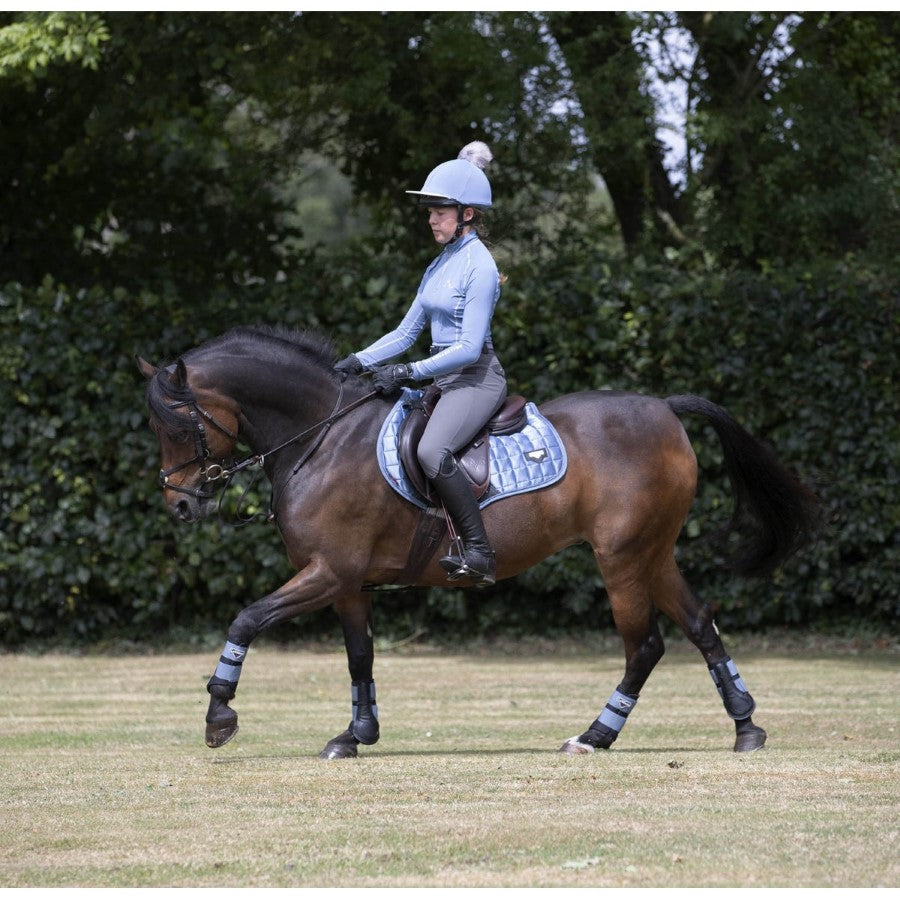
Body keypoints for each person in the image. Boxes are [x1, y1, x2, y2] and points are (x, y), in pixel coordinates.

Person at [335, 141, 507, 586]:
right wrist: (355, 361)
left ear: (467, 213)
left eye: (441, 210)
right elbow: (406, 334)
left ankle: (480, 552)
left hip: (475, 379)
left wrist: (407, 372)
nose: (432, 218)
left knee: (432, 451)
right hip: (440, 377)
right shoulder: (439, 264)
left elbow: (469, 349)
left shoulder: (480, 266)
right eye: (430, 210)